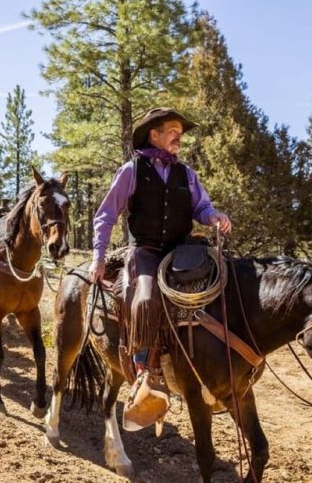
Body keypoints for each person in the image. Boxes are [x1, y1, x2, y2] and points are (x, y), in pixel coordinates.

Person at [88, 107, 231, 430]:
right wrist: (98, 256)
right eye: (173, 130)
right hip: (148, 251)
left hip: (183, 250)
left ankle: (209, 370)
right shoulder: (132, 170)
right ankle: (144, 376)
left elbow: (202, 207)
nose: (179, 136)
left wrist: (214, 217)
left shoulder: (186, 173)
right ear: (154, 134)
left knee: (221, 285)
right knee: (146, 300)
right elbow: (106, 215)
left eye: (181, 132)